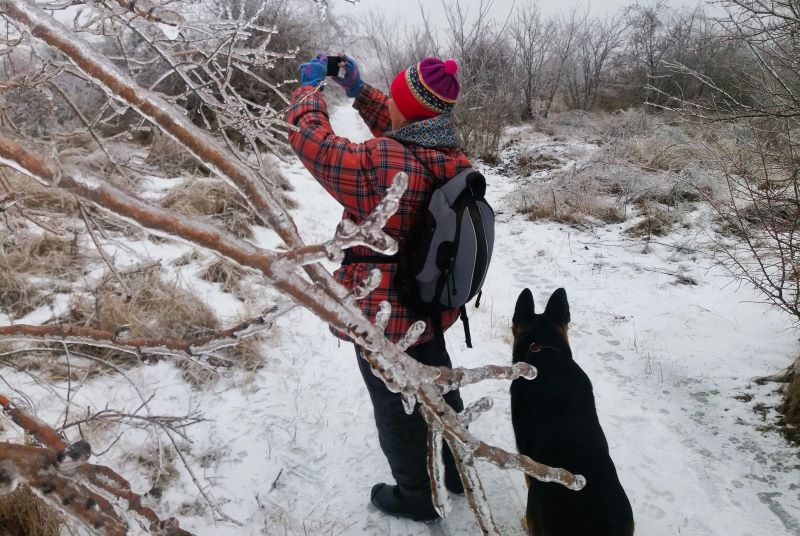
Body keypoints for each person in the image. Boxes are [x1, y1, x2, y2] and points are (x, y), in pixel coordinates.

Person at [287, 54, 471, 521]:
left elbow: (313, 143)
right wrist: (359, 91)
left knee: (394, 401)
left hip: (387, 315)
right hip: (431, 305)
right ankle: (457, 469)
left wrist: (310, 93)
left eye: (393, 96)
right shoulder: (450, 152)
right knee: (437, 378)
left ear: (408, 107)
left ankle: (417, 494)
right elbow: (402, 127)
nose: (385, 103)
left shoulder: (383, 164)